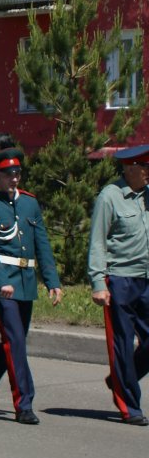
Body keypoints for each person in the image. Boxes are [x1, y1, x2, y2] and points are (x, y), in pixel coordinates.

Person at [0, 149, 61, 425]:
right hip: (2, 283)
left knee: (11, 342)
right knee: (16, 341)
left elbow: (42, 243)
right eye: (8, 174)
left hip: (26, 281)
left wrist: (52, 281)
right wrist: (1, 281)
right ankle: (24, 403)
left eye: (17, 173)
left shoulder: (29, 203)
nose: (14, 178)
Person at [91, 145, 149, 426]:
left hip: (146, 278)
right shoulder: (110, 197)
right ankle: (130, 407)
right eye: (145, 168)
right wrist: (98, 282)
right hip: (120, 279)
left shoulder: (148, 194)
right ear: (130, 168)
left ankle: (119, 379)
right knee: (123, 344)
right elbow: (98, 242)